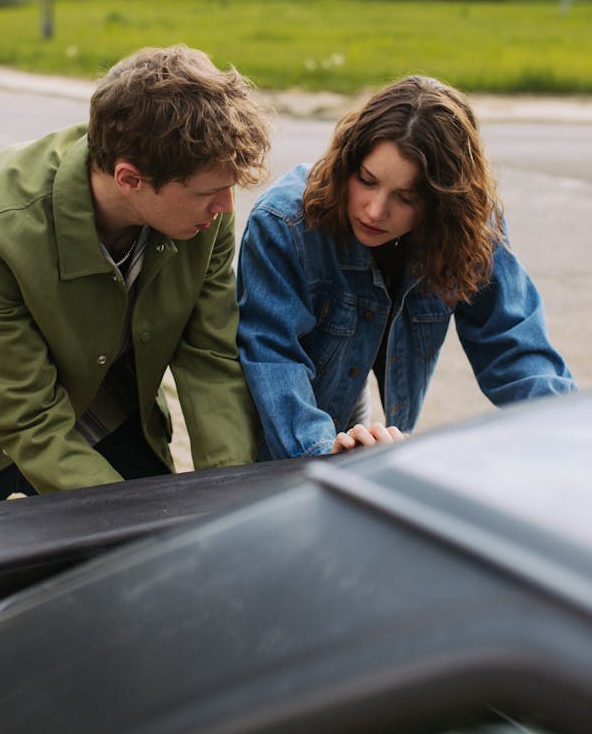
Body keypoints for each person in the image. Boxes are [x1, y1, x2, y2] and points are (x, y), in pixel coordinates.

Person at [0, 46, 272, 527]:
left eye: (230, 187)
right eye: (207, 193)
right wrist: (128, 525)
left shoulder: (206, 217)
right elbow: (26, 414)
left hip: (105, 407)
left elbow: (210, 359)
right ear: (130, 178)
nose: (225, 206)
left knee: (151, 576)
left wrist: (231, 498)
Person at [236, 75, 576, 460]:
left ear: (442, 203)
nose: (375, 210)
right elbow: (273, 354)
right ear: (347, 163)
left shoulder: (468, 227)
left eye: (406, 197)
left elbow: (514, 345)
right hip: (278, 432)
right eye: (367, 180)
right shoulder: (285, 223)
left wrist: (570, 435)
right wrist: (320, 449)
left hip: (354, 417)